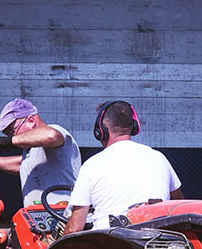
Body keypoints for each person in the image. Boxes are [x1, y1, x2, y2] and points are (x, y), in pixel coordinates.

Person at [65, 100, 183, 234]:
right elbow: (178, 204)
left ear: (100, 131)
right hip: (158, 246)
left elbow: (75, 227)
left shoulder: (91, 165)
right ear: (134, 126)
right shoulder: (159, 158)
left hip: (108, 246)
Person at [0, 97, 81, 208]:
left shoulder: (55, 130)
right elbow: (24, 165)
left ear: (31, 121)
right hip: (42, 217)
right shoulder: (33, 150)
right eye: (7, 135)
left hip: (63, 215)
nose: (11, 136)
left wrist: (10, 141)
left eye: (12, 131)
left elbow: (51, 136)